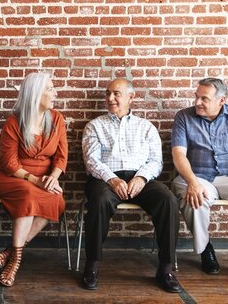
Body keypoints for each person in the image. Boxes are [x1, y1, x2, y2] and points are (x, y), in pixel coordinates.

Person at [81, 78, 180, 293]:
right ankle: (92, 264)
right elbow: (91, 161)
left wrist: (141, 178)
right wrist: (113, 179)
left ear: (131, 97)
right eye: (108, 93)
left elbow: (156, 161)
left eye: (116, 94)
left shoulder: (146, 127)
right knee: (99, 200)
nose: (110, 98)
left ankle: (166, 268)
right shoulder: (95, 126)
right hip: (105, 180)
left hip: (141, 179)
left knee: (168, 200)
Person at [172, 77, 228, 284]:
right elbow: (179, 154)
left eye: (204, 98)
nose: (197, 102)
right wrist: (193, 182)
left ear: (221, 100)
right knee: (193, 198)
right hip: (198, 176)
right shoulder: (183, 117)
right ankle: (205, 249)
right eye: (196, 97)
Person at [0, 72, 68, 287]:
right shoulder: (14, 122)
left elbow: (62, 156)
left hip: (44, 176)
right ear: (35, 94)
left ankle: (10, 252)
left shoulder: (57, 118)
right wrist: (35, 180)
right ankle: (15, 262)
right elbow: (10, 164)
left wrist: (53, 177)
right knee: (28, 196)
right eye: (50, 89)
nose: (55, 93)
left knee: (57, 201)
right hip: (12, 176)